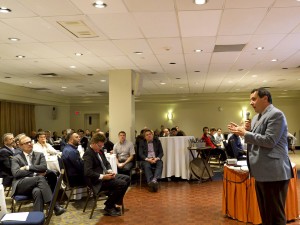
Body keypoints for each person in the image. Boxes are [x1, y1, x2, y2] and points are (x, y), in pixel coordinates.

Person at [228, 87, 293, 225]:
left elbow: (269, 141)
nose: (251, 102)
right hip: (261, 171)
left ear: (265, 98)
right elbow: (259, 137)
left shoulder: (276, 114)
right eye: (250, 99)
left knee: (275, 215)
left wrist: (245, 134)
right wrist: (248, 130)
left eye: (254, 99)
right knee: (265, 213)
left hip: (274, 172)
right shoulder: (258, 116)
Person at [11, 135, 66, 215]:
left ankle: (38, 218)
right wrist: (35, 172)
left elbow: (43, 168)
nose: (30, 144)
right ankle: (54, 205)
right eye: (26, 143)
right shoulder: (16, 158)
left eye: (30, 142)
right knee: (40, 178)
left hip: (37, 185)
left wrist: (27, 167)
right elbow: (16, 173)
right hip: (21, 184)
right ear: (20, 146)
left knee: (38, 191)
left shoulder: (39, 155)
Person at [83, 133, 130, 217]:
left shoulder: (99, 150)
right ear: (93, 143)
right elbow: (88, 172)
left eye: (102, 146)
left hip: (105, 175)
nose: (101, 148)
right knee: (122, 184)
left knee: (127, 179)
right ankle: (109, 206)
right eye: (99, 146)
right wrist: (103, 177)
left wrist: (110, 170)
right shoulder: (88, 154)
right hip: (97, 181)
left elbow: (106, 163)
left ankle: (114, 203)